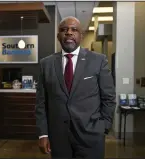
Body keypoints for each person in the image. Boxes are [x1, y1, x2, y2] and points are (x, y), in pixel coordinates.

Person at [35, 16, 116, 159]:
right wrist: (43, 133)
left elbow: (108, 98)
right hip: (59, 138)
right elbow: (41, 103)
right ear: (58, 36)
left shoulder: (98, 60)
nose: (69, 33)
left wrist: (103, 127)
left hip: (91, 136)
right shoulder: (46, 64)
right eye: (64, 30)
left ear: (81, 35)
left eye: (74, 29)